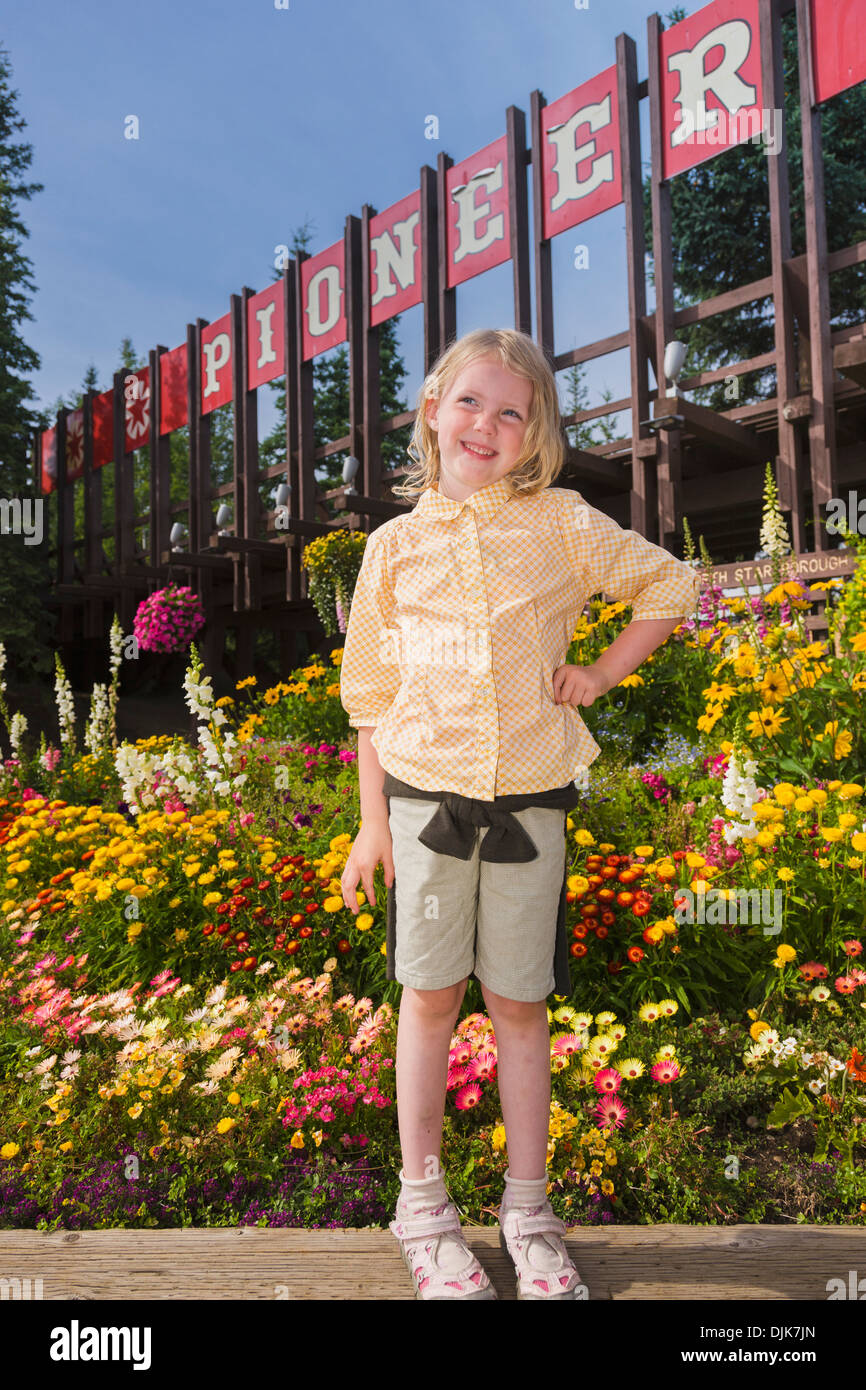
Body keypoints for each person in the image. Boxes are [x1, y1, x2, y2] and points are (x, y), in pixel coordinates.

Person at [339, 328, 702, 1299]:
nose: (486, 424)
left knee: (518, 1007)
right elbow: (369, 696)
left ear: (534, 428)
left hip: (530, 806)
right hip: (420, 807)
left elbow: (669, 583)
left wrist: (597, 671)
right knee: (426, 999)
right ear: (431, 409)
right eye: (469, 402)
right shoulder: (393, 547)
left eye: (511, 410)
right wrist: (371, 824)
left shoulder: (560, 523)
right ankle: (422, 1206)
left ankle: (528, 1212)